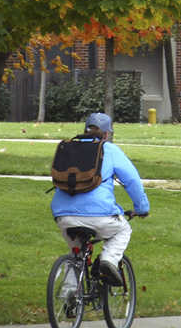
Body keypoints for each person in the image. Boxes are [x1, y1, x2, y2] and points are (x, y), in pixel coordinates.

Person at [51, 112, 150, 286]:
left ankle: (69, 295)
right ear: (106, 134)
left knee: (76, 255)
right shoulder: (109, 150)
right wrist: (142, 208)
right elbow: (132, 180)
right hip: (99, 215)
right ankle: (109, 261)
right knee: (122, 230)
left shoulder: (67, 149)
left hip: (63, 215)